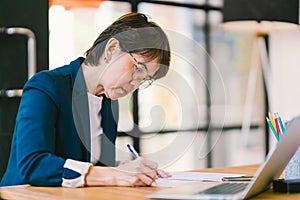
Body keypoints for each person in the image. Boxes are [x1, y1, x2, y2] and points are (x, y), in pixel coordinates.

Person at [0, 12, 171, 188]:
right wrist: (114, 175)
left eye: (144, 79)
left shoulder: (109, 101)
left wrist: (125, 168)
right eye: (138, 69)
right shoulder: (46, 86)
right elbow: (34, 165)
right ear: (111, 49)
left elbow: (90, 166)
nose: (135, 84)